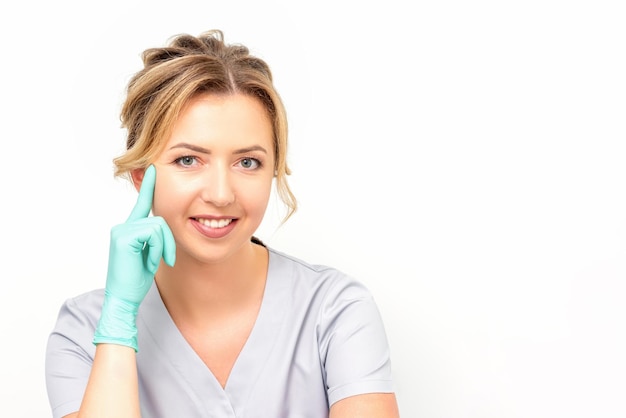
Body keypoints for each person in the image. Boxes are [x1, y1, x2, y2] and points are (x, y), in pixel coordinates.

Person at [45, 29, 400, 418]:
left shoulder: (336, 310)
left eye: (247, 162)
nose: (220, 193)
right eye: (188, 160)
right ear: (141, 176)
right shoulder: (84, 331)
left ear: (273, 172)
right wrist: (117, 322)